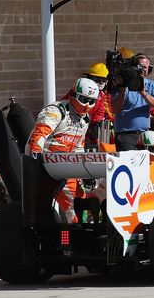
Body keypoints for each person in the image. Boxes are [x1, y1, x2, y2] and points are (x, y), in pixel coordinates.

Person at [26, 78, 100, 223]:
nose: (87, 105)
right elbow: (39, 136)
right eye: (84, 99)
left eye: (92, 101)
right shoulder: (56, 111)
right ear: (73, 94)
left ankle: (77, 238)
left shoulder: (85, 120)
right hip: (46, 166)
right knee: (66, 211)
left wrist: (84, 172)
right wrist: (35, 163)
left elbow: (78, 147)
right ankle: (67, 239)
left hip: (66, 167)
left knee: (81, 208)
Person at [111, 52, 154, 151]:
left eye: (145, 67)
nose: (142, 70)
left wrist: (143, 93)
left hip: (144, 134)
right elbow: (115, 110)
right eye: (140, 67)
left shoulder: (152, 85)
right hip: (125, 135)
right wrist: (122, 89)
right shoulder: (121, 85)